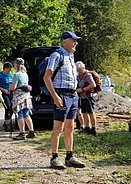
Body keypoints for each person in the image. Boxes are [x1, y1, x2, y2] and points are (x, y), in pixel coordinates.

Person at [43, 31, 86, 169]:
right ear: (64, 42)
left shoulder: (71, 57)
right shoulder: (57, 55)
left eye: (76, 40)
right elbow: (47, 77)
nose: (76, 43)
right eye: (73, 40)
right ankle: (54, 157)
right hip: (61, 94)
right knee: (58, 128)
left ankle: (69, 156)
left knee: (70, 127)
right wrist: (55, 96)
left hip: (73, 95)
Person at [9, 58, 36, 140]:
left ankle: (22, 133)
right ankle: (31, 131)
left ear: (17, 65)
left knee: (20, 114)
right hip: (26, 96)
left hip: (19, 97)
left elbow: (13, 87)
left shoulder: (16, 75)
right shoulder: (25, 74)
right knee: (26, 114)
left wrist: (9, 89)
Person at [75, 61, 97, 135]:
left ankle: (93, 129)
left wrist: (82, 90)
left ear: (83, 68)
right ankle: (87, 127)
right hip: (82, 97)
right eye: (78, 70)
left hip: (88, 96)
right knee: (84, 113)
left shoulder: (88, 75)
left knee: (90, 112)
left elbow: (93, 85)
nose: (79, 72)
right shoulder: (79, 76)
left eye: (80, 70)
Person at [0, 62, 13, 131]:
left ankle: (7, 121)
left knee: (12, 108)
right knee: (8, 107)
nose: (10, 70)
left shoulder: (9, 75)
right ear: (6, 68)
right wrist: (3, 90)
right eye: (9, 69)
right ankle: (7, 124)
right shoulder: (0, 75)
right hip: (4, 93)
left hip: (10, 93)